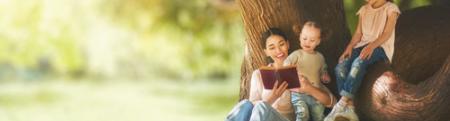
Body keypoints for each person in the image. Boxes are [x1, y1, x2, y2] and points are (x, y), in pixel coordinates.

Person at [226, 28, 336, 121]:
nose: (278, 50)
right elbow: (252, 108)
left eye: (281, 44)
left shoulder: (303, 69)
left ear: (287, 44)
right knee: (245, 104)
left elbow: (332, 102)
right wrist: (273, 97)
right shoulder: (259, 75)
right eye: (272, 48)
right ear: (266, 52)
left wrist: (309, 88)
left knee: (261, 105)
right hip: (264, 116)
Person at [325, 0, 400, 121]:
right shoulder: (364, 10)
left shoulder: (391, 9)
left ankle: (341, 103)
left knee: (357, 64)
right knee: (340, 66)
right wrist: (349, 47)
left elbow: (387, 33)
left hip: (380, 47)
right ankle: (350, 108)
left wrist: (371, 46)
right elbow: (358, 33)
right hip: (362, 45)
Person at [284, 21, 332, 121]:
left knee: (319, 115)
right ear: (300, 37)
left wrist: (324, 75)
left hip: (316, 92)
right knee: (302, 114)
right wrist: (291, 68)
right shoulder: (297, 54)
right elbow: (286, 63)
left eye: (312, 40)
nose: (307, 42)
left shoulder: (320, 57)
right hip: (299, 92)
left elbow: (323, 69)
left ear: (318, 41)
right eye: (304, 38)